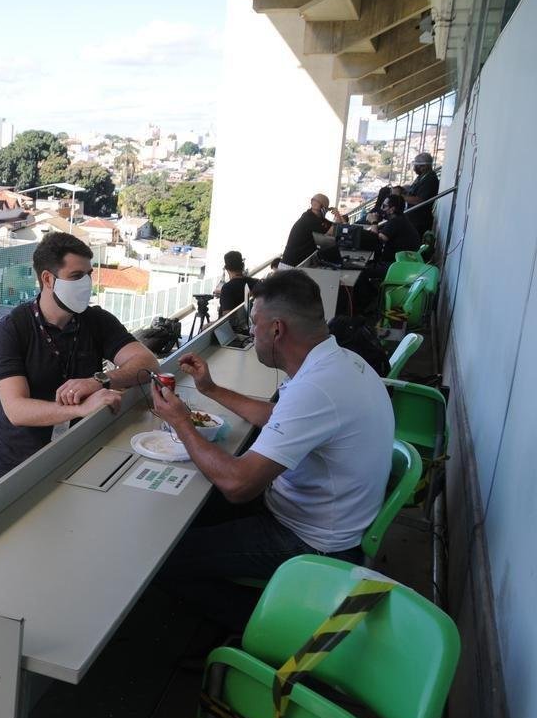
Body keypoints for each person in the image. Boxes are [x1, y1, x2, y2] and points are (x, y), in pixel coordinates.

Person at [150, 270, 394, 631]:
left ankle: (270, 625)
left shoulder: (318, 388)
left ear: (276, 330)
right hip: (323, 515)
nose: (251, 333)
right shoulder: (337, 362)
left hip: (311, 542)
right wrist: (211, 389)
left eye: (254, 323)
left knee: (163, 559)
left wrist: (182, 423)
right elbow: (280, 417)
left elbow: (238, 485)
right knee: (193, 514)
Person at [0, 232, 159, 479]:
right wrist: (81, 409)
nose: (86, 284)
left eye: (88, 275)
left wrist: (99, 381)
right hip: (17, 467)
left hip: (78, 453)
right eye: (76, 276)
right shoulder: (11, 329)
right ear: (48, 279)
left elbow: (148, 364)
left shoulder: (96, 320)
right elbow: (16, 409)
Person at [281, 193, 345, 267]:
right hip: (292, 264)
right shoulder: (309, 219)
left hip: (299, 262)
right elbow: (329, 235)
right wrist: (337, 218)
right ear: (324, 208)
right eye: (326, 207)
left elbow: (342, 227)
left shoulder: (319, 219)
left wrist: (338, 216)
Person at [366, 193, 421, 264]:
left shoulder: (396, 222)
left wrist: (374, 222)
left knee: (364, 269)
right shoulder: (401, 219)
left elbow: (375, 240)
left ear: (392, 209)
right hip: (400, 263)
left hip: (394, 266)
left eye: (384, 206)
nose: (382, 209)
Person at [213, 250, 258, 330]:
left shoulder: (228, 288)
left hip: (235, 332)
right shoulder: (255, 283)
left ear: (227, 268)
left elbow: (228, 319)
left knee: (204, 329)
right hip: (253, 328)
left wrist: (210, 325)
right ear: (242, 265)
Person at [403, 152, 439, 235]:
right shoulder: (422, 177)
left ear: (424, 166)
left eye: (417, 165)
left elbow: (419, 200)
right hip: (414, 218)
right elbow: (414, 190)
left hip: (420, 221)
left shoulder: (430, 180)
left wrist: (401, 197)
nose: (414, 168)